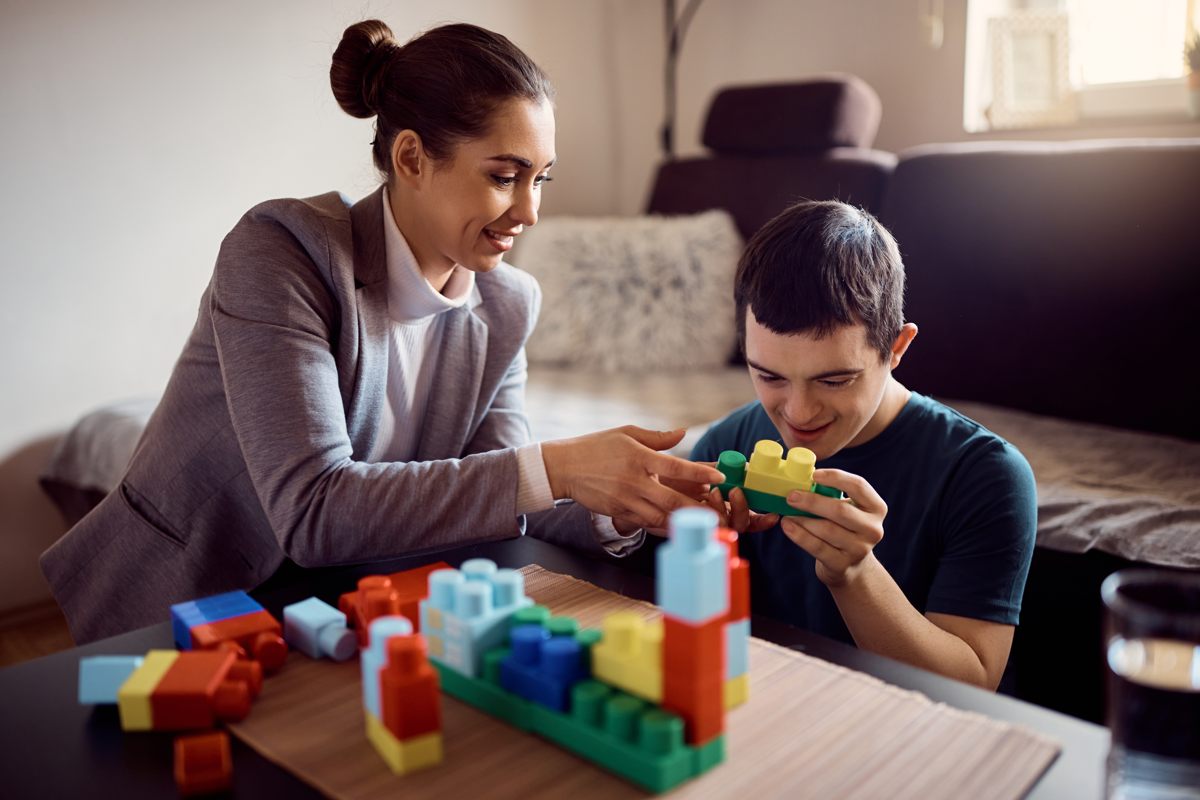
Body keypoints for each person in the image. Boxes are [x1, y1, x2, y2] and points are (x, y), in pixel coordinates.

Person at [40, 20, 723, 644]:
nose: (530, 211)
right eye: (504, 177)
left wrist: (626, 504)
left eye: (540, 179)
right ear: (411, 159)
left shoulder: (509, 303)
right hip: (187, 603)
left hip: (345, 614)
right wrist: (562, 465)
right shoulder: (281, 253)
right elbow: (312, 509)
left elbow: (503, 492)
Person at [690, 200, 1037, 690]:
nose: (798, 412)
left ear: (897, 348)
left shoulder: (984, 475)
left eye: (835, 380)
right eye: (768, 375)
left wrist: (854, 573)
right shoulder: (728, 443)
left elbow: (971, 683)